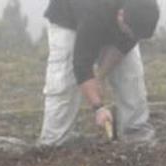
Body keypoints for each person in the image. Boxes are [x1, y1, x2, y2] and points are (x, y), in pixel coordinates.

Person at [39, 0, 159, 146]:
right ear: (121, 15)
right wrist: (98, 108)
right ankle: (54, 141)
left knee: (131, 74)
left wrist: (100, 76)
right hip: (68, 17)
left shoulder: (141, 13)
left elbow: (124, 45)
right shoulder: (93, 13)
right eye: (129, 32)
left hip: (109, 16)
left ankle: (136, 131)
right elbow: (81, 65)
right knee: (65, 80)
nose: (131, 37)